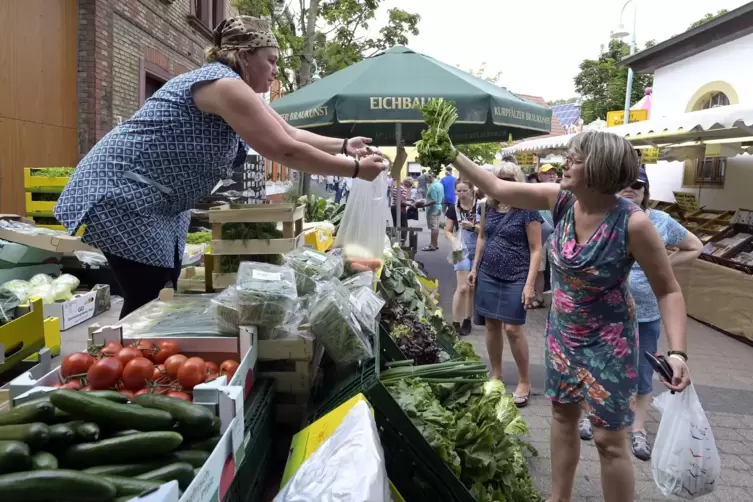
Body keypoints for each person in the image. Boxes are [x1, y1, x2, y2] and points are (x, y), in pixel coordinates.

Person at [53, 16, 385, 319]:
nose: (275, 71)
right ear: (244, 55)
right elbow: (285, 150)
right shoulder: (225, 86)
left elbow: (290, 133)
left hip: (158, 202)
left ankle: (138, 367)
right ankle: (128, 373)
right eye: (270, 60)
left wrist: (344, 146)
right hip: (125, 193)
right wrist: (354, 169)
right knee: (147, 296)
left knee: (160, 291)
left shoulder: (235, 88)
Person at [448, 130, 691, 502]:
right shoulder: (559, 201)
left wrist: (677, 352)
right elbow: (497, 186)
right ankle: (558, 498)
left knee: (610, 441)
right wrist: (451, 151)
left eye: (574, 159)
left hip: (609, 346)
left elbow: (669, 290)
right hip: (563, 335)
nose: (564, 164)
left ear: (597, 169)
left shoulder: (633, 224)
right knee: (562, 420)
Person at [578, 167, 702, 461]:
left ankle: (637, 430)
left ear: (646, 191)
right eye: (626, 184)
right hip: (604, 313)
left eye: (638, 185)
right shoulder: (602, 218)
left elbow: (695, 246)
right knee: (594, 366)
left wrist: (665, 266)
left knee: (643, 375)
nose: (631, 189)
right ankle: (589, 415)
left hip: (645, 316)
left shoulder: (659, 221)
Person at [468, 163, 542, 407]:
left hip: (517, 275)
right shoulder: (487, 207)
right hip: (488, 272)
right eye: (499, 178)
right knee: (491, 325)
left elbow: (536, 249)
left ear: (518, 180)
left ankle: (524, 380)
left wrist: (530, 284)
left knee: (512, 328)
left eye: (509, 178)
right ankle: (497, 374)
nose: (504, 181)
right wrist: (474, 268)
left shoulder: (528, 209)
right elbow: (482, 238)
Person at [444, 179, 480, 336]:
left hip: (478, 247)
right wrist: (453, 240)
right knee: (462, 287)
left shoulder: (481, 207)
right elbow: (448, 230)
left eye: (464, 191)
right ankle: (455, 321)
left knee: (472, 288)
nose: (461, 194)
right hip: (460, 249)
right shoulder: (453, 209)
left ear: (472, 190)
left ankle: (467, 319)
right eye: (458, 191)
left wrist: (472, 226)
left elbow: (485, 229)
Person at [532, 164, 558, 308]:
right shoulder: (534, 193)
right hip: (539, 234)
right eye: (547, 173)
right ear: (540, 176)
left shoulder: (564, 192)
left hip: (557, 235)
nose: (551, 175)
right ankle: (539, 297)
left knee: (558, 268)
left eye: (553, 173)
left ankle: (558, 298)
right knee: (538, 268)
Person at [391, 178, 414, 243]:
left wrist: (410, 199)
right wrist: (411, 205)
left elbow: (398, 197)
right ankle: (403, 239)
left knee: (395, 224)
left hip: (393, 207)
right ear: (407, 183)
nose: (410, 186)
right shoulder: (404, 189)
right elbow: (401, 201)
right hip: (400, 208)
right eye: (411, 184)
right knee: (404, 225)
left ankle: (395, 240)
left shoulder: (397, 187)